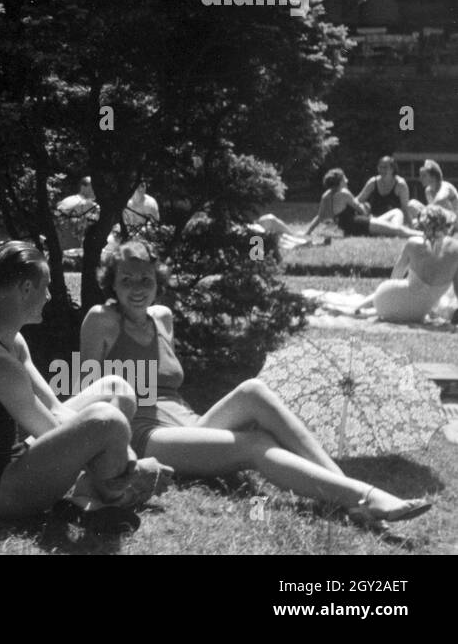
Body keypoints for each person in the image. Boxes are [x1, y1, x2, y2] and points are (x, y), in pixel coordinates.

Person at [80, 240, 432, 526]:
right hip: (147, 437)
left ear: (159, 281)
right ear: (111, 283)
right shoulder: (102, 321)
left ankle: (347, 491)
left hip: (187, 423)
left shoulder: (163, 319)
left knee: (254, 390)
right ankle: (364, 496)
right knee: (255, 444)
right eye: (126, 279)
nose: (137, 288)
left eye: (146, 279)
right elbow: (88, 397)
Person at [0, 242, 173, 519]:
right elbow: (50, 429)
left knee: (117, 388)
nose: (48, 296)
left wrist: (120, 454)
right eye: (45, 286)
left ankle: (94, 492)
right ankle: (117, 496)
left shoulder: (7, 339)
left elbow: (55, 409)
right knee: (108, 419)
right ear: (25, 289)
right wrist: (134, 465)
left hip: (14, 464)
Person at [354, 205, 458, 322]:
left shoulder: (414, 243)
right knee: (407, 298)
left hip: (388, 299)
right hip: (419, 312)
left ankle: (358, 309)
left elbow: (395, 277)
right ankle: (366, 310)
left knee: (392, 293)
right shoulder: (456, 249)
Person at [278, 168, 415, 239]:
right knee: (397, 228)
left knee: (396, 213)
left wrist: (308, 231)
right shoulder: (344, 193)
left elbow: (319, 218)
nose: (347, 180)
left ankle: (395, 232)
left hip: (352, 227)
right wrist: (366, 206)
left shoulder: (327, 196)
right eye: (345, 178)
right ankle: (420, 235)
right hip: (361, 224)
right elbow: (361, 210)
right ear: (340, 181)